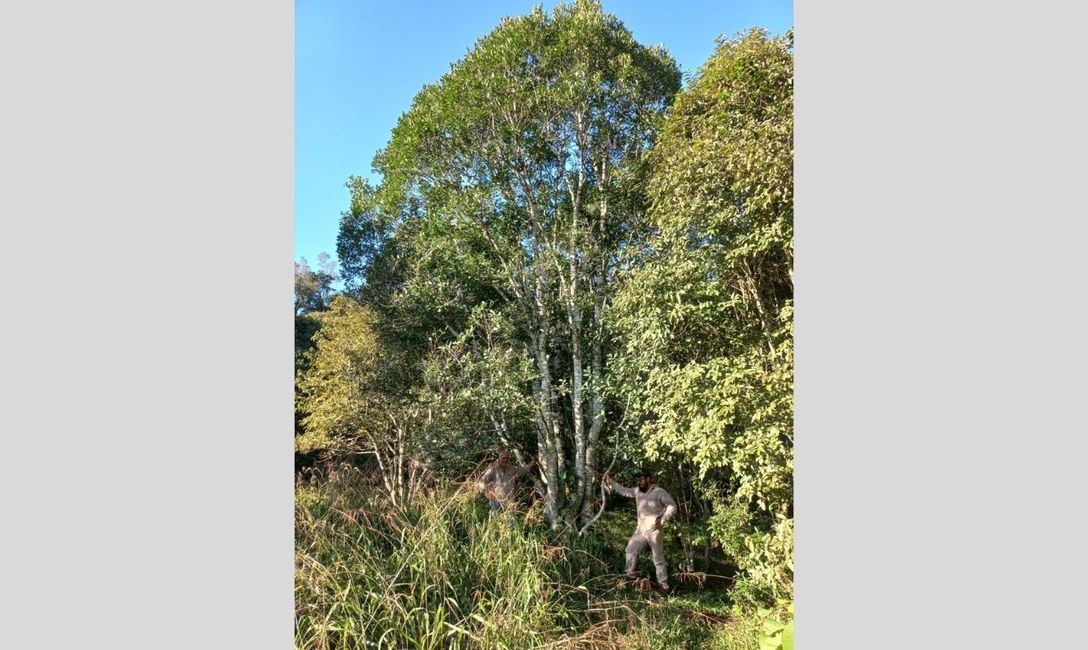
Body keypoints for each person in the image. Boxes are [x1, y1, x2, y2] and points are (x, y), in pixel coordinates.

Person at [604, 468, 678, 593]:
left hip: (654, 530)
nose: (639, 481)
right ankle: (630, 578)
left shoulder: (659, 491)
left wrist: (664, 519)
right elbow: (624, 491)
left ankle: (664, 586)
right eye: (637, 479)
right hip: (640, 529)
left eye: (641, 479)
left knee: (658, 558)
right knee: (630, 550)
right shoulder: (637, 491)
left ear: (648, 478)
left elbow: (672, 505)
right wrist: (610, 482)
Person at [478, 450, 537, 514]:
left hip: (510, 501)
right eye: (503, 458)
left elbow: (522, 470)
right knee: (496, 521)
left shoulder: (511, 469)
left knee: (509, 521)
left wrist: (532, 463)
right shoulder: (493, 469)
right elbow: (482, 482)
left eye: (507, 458)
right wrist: (487, 493)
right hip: (496, 502)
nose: (505, 460)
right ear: (499, 458)